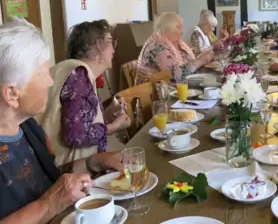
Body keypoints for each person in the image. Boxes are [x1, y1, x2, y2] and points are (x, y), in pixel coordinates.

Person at [0, 18, 122, 221]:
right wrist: (48, 204)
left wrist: (94, 162)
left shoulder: (28, 127)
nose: (50, 82)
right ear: (12, 93)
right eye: (43, 74)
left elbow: (51, 177)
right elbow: (51, 196)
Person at [36, 20, 131, 166]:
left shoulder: (73, 71)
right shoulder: (79, 74)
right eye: (111, 42)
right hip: (68, 172)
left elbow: (78, 121)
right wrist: (114, 127)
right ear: (100, 46)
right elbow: (75, 135)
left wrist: (105, 116)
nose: (113, 50)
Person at [135, 12, 214, 84]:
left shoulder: (177, 43)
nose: (182, 32)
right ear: (168, 29)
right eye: (179, 28)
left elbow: (189, 63)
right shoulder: (157, 47)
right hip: (157, 94)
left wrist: (203, 57)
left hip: (176, 88)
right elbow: (175, 75)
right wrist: (201, 61)